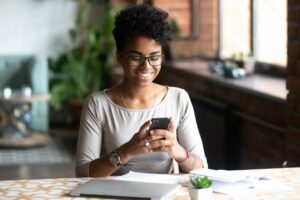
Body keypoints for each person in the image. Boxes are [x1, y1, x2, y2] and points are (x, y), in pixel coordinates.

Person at [76, 4, 207, 177]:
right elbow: (83, 172)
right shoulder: (98, 104)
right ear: (120, 58)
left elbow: (202, 169)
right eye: (136, 57)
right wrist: (126, 151)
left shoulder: (178, 99)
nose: (146, 66)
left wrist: (179, 152)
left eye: (154, 57)